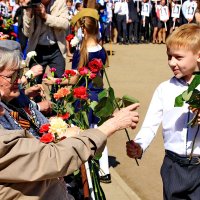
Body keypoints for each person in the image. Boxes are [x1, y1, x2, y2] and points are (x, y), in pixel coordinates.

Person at [126, 23, 200, 200]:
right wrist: (140, 145)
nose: (172, 62)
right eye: (169, 56)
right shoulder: (164, 89)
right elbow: (150, 124)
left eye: (178, 57)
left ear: (198, 56)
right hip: (173, 166)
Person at [22, 0, 69, 87]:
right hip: (37, 50)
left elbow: (65, 24)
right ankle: (37, 100)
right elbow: (27, 33)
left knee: (59, 83)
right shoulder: (32, 3)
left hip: (56, 48)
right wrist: (29, 13)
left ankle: (58, 100)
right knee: (34, 84)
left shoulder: (60, 2)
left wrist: (45, 16)